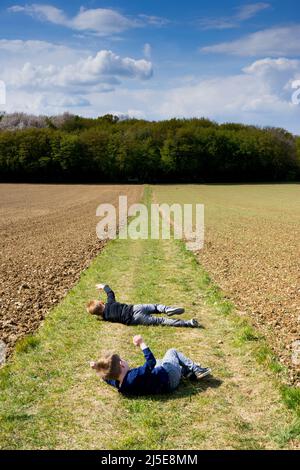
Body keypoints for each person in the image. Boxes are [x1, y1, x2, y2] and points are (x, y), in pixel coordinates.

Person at [90, 335, 212, 396]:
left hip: (164, 388)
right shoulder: (135, 375)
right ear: (121, 365)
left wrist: (98, 368)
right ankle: (196, 369)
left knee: (161, 361)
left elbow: (108, 380)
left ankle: (185, 372)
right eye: (123, 360)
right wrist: (142, 343)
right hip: (169, 377)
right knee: (171, 352)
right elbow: (151, 362)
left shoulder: (121, 387)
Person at [86, 283, 199, 328]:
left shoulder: (106, 317)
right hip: (135, 308)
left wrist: (99, 316)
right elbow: (110, 293)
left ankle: (187, 323)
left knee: (160, 321)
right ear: (102, 303)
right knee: (155, 307)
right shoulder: (110, 303)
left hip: (135, 319)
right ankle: (168, 309)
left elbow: (101, 317)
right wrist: (104, 286)